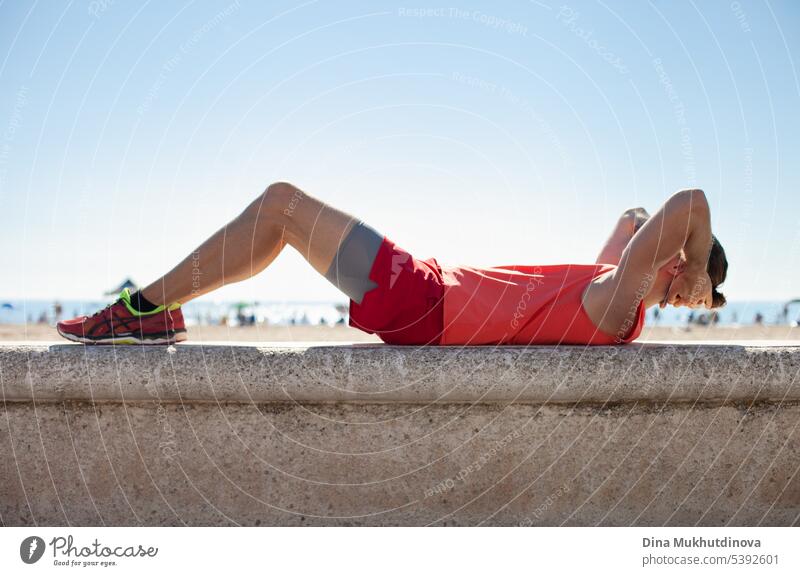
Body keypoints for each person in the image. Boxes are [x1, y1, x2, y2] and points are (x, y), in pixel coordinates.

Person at [56, 183, 728, 346]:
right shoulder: (609, 293)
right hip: (423, 299)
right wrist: (688, 261)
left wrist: (693, 260)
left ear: (670, 263)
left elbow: (687, 200)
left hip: (423, 297)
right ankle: (154, 308)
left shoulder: (619, 304)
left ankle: (143, 309)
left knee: (281, 205)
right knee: (277, 217)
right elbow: (636, 218)